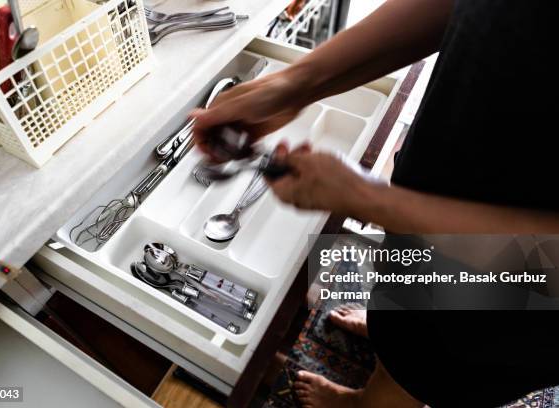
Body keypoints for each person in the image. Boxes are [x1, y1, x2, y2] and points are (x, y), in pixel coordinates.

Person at [192, 0, 559, 406]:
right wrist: (294, 84)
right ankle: (391, 342)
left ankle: (365, 403)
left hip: (514, 294)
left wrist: (370, 198)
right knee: (405, 309)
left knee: (432, 366)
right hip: (435, 185)